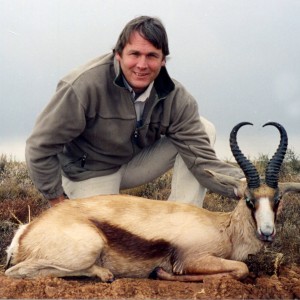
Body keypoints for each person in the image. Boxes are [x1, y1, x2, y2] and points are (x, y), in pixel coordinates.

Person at [26, 16, 244, 207]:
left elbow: (202, 160)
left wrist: (250, 187)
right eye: (135, 54)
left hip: (133, 163)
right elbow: (39, 145)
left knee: (204, 128)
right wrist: (58, 201)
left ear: (163, 60)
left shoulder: (176, 97)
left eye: (151, 56)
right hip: (90, 171)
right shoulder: (83, 86)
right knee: (108, 238)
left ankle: (180, 225)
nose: (142, 64)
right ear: (118, 54)